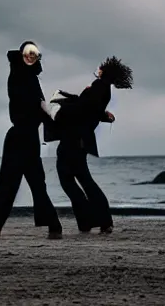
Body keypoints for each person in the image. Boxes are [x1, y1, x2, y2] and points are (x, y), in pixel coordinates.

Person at [43, 56, 133, 234]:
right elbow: (91, 109)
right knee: (83, 180)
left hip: (74, 139)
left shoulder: (99, 86)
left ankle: (94, 220)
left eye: (101, 67)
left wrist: (59, 106)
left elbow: (82, 108)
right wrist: (103, 115)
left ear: (105, 71)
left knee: (68, 179)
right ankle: (95, 221)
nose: (98, 68)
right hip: (80, 140)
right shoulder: (104, 89)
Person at [0, 41, 63, 239]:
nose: (31, 56)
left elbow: (40, 106)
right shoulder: (18, 74)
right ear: (22, 55)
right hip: (18, 137)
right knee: (8, 182)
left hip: (29, 138)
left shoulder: (32, 77)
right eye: (28, 53)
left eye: (35, 53)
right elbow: (25, 101)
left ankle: (54, 226)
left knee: (37, 183)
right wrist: (41, 107)